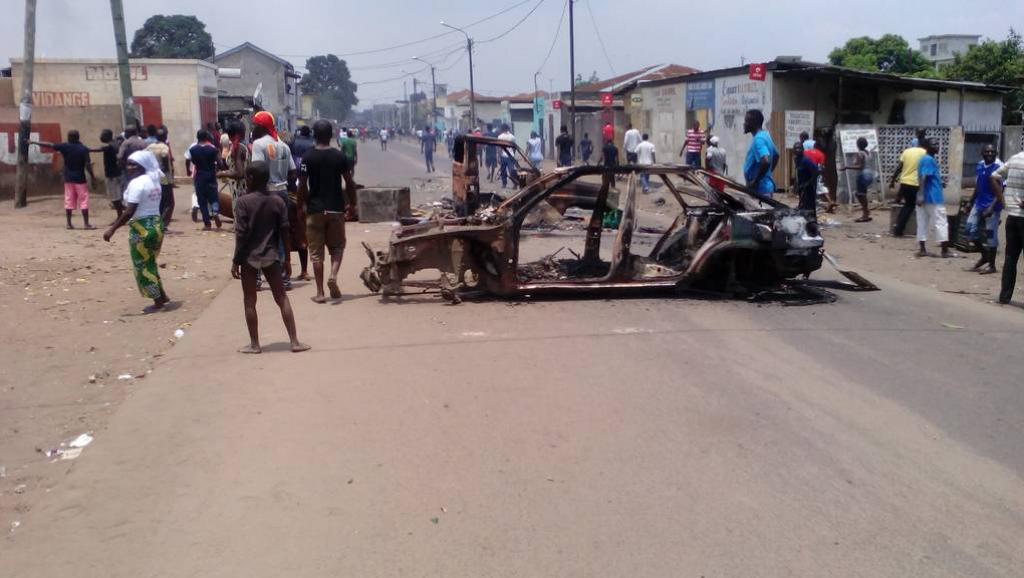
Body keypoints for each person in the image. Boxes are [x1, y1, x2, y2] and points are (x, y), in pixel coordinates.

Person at [232, 162, 309, 354]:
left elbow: (241, 235)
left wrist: (236, 260)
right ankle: (294, 342)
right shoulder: (277, 201)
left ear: (249, 179)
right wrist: (288, 260)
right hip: (272, 255)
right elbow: (284, 231)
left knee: (249, 300)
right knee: (282, 298)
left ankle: (255, 344)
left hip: (249, 257)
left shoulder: (243, 202)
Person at [102, 150, 170, 310]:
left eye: (134, 165)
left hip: (142, 228)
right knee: (150, 263)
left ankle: (158, 300)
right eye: (128, 164)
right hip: (156, 225)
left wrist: (112, 229)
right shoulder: (156, 179)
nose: (129, 167)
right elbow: (169, 199)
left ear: (143, 165)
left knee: (142, 266)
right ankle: (162, 295)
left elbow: (129, 211)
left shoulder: (137, 183)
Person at [299, 120, 351, 304]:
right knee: (337, 247)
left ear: (314, 135)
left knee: (316, 253)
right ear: (331, 136)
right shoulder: (339, 157)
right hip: (336, 208)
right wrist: (351, 204)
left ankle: (320, 293)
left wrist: (301, 205)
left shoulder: (307, 157)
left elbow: (302, 185)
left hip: (315, 210)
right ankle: (334, 275)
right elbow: (349, 182)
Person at [250, 111, 300, 286]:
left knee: (259, 234)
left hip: (265, 193)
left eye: (255, 124)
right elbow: (293, 171)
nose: (253, 127)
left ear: (261, 126)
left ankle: (256, 277)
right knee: (281, 234)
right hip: (282, 192)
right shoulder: (283, 145)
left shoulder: (258, 144)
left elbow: (257, 170)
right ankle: (283, 278)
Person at [31, 130, 96, 229]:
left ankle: (69, 224)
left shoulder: (65, 147)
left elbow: (49, 145)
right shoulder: (83, 149)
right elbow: (87, 165)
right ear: (78, 137)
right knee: (84, 201)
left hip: (68, 179)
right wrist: (93, 177)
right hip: (80, 179)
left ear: (69, 137)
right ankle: (86, 224)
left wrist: (34, 142)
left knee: (69, 201)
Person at [991, 150, 1024, 303]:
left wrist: (1003, 201)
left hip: (1012, 216)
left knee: (1011, 258)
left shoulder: (1015, 158)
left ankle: (1005, 297)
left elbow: (994, 176)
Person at [964, 145, 1004, 274]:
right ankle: (984, 255)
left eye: (992, 151)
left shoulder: (999, 167)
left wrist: (991, 208)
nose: (990, 153)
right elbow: (978, 185)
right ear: (982, 153)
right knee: (969, 230)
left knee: (990, 236)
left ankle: (992, 265)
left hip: (992, 207)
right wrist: (970, 202)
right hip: (978, 203)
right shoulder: (980, 165)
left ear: (996, 153)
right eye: (987, 151)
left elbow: (1001, 190)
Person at [915, 139, 950, 258]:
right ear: (927, 147)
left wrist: (940, 182)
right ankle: (945, 250)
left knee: (922, 222)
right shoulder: (929, 160)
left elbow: (928, 177)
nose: (937, 146)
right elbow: (924, 177)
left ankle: (922, 248)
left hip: (925, 196)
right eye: (933, 144)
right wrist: (921, 194)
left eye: (937, 144)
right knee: (941, 222)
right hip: (933, 197)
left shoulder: (926, 159)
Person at [889, 138, 928, 237]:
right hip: (916, 183)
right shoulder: (924, 152)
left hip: (905, 182)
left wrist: (893, 180)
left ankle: (898, 228)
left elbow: (899, 167)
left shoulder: (906, 152)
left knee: (907, 205)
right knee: (914, 206)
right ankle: (905, 230)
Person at [188, 130, 221, 229]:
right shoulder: (213, 149)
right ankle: (215, 211)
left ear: (197, 138)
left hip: (199, 177)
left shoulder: (193, 150)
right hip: (211, 176)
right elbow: (219, 163)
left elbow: (191, 161)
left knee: (202, 201)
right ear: (207, 137)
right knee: (214, 197)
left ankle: (207, 224)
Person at [742, 109, 778, 200]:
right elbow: (776, 155)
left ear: (754, 123)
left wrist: (755, 181)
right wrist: (768, 172)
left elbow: (765, 161)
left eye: (746, 121)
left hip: (760, 191)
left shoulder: (758, 140)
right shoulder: (765, 135)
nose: (744, 124)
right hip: (764, 188)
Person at [146, 127, 175, 227]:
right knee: (169, 202)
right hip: (164, 177)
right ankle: (162, 224)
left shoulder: (150, 147)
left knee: (160, 201)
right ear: (165, 136)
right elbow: (164, 160)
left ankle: (156, 222)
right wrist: (168, 174)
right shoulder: (164, 147)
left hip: (153, 177)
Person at [840, 137, 873, 222]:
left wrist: (847, 167)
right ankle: (866, 212)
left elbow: (860, 166)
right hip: (868, 174)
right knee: (862, 194)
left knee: (860, 194)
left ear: (858, 144)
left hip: (861, 175)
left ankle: (865, 214)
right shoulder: (868, 153)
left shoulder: (860, 154)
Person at [93, 129, 124, 219]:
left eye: (103, 135)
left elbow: (98, 149)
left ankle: (120, 217)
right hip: (117, 174)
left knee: (115, 197)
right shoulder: (115, 144)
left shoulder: (110, 146)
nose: (101, 137)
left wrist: (83, 149)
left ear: (108, 136)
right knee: (116, 197)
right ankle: (121, 216)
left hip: (112, 176)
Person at [793, 142, 820, 214]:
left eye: (799, 148)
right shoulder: (796, 160)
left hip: (809, 187)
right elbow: (797, 173)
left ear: (802, 149)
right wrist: (796, 185)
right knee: (802, 205)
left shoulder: (806, 160)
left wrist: (809, 182)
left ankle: (812, 221)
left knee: (809, 206)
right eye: (796, 148)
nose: (797, 150)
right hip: (801, 186)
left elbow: (816, 171)